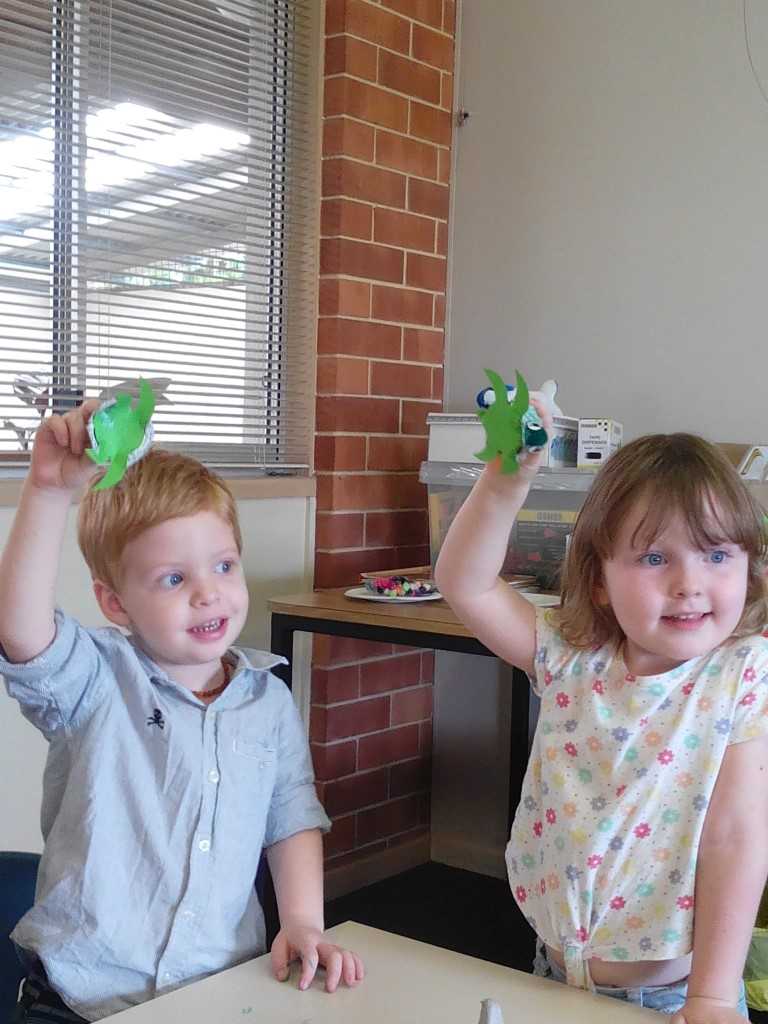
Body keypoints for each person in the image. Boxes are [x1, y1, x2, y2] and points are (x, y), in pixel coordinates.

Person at [0, 399, 364, 1022]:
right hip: (81, 997)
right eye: (174, 579)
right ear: (115, 602)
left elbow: (290, 812)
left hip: (218, 990)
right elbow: (22, 633)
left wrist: (303, 921)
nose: (208, 592)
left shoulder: (267, 700)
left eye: (224, 565)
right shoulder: (95, 680)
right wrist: (47, 491)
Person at [435, 414, 768, 1022]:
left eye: (717, 554)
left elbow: (736, 838)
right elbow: (464, 581)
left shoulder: (743, 673)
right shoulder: (570, 654)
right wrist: (506, 480)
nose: (689, 584)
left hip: (678, 995)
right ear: (599, 581)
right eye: (654, 557)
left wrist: (714, 996)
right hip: (552, 970)